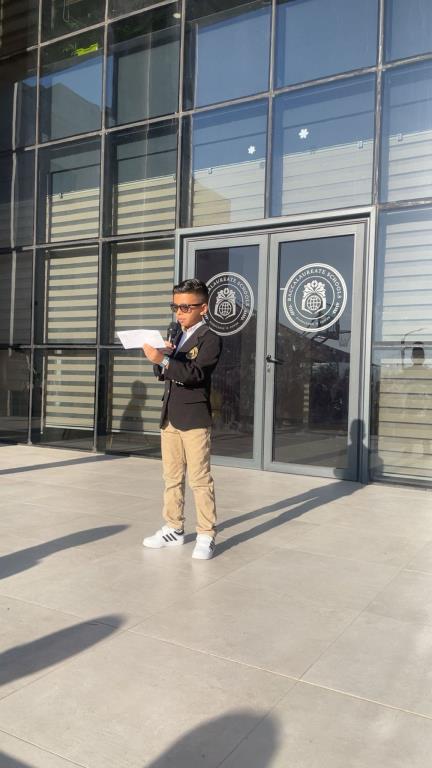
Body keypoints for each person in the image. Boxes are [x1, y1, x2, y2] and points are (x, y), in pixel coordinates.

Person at [141, 278, 222, 560]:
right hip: (170, 416)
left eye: (186, 307)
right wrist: (162, 358)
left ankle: (206, 533)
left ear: (204, 308)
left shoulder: (210, 338)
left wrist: (163, 360)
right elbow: (164, 374)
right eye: (175, 307)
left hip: (194, 418)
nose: (179, 313)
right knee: (171, 477)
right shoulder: (176, 334)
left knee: (199, 479)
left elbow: (196, 375)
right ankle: (174, 527)